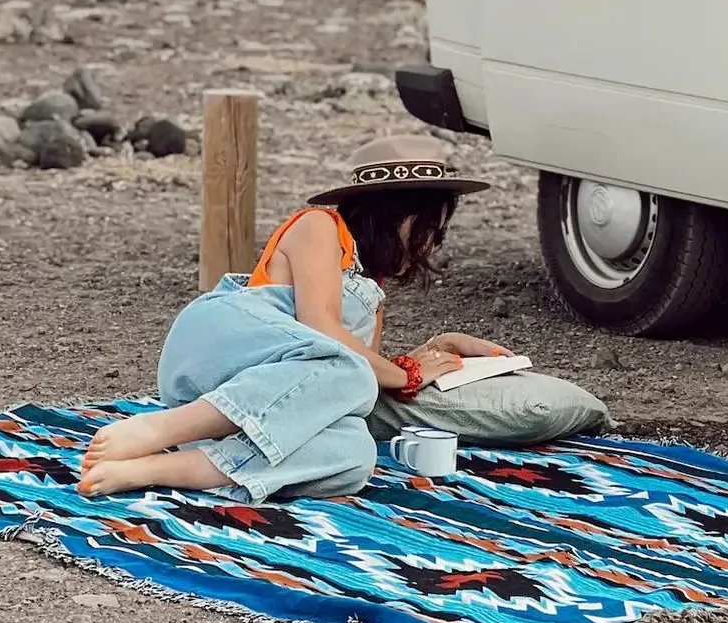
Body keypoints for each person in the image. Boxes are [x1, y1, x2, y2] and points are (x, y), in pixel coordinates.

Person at [78, 134, 504, 503]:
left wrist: (437, 349)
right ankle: (156, 429)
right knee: (349, 368)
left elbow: (336, 384)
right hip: (223, 342)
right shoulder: (319, 226)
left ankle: (154, 470)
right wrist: (407, 373)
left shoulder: (370, 289)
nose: (430, 241)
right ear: (396, 212)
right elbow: (324, 330)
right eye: (427, 225)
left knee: (354, 453)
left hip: (254, 397)